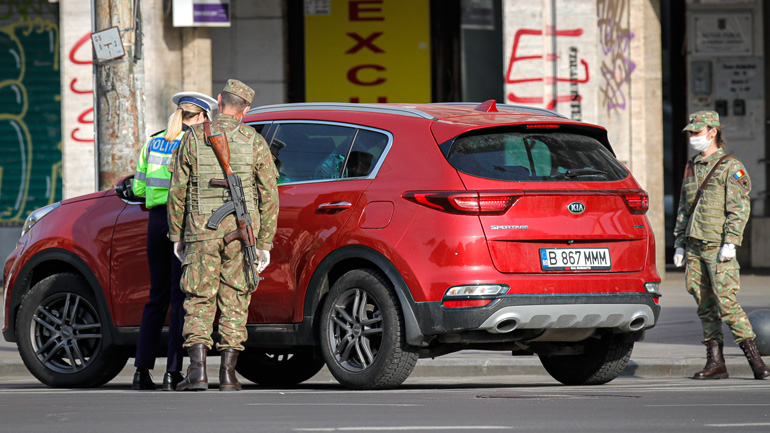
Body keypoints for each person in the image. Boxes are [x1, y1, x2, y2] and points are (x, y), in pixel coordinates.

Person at [168, 79, 279, 391]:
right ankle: (228, 374)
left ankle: (197, 372)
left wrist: (177, 233)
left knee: (199, 299)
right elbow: (270, 195)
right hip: (242, 233)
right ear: (246, 111)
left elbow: (177, 190)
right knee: (235, 300)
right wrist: (265, 242)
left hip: (202, 231)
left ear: (218, 100)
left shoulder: (193, 137)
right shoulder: (255, 141)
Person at [673, 110, 770, 380]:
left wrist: (731, 241)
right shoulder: (692, 165)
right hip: (694, 246)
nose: (693, 137)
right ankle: (715, 362)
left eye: (697, 132)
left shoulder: (730, 166)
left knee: (726, 304)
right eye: (691, 133)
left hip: (718, 246)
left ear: (712, 132)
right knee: (704, 305)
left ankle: (756, 361)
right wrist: (679, 242)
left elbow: (739, 208)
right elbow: (684, 207)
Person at [132, 91, 217, 391]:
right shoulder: (195, 142)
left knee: (156, 298)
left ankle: (141, 371)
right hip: (182, 221)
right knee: (179, 297)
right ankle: (172, 372)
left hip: (155, 221)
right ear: (202, 116)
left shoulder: (154, 141)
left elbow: (139, 187)